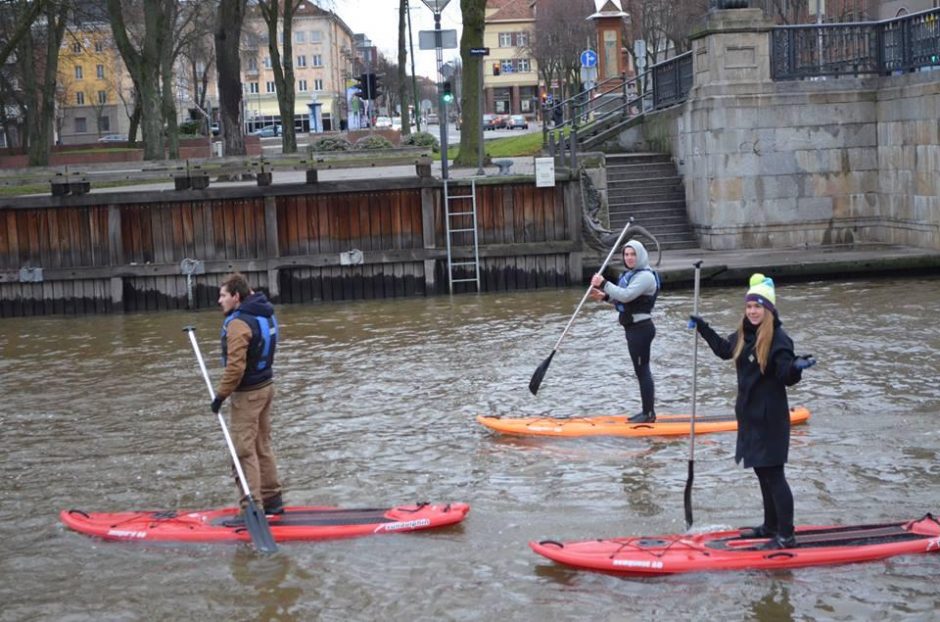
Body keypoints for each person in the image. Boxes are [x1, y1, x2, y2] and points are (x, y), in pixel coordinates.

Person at [689, 273, 816, 549]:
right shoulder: (745, 333)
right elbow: (724, 350)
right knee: (761, 472)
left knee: (774, 475)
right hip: (749, 416)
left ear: (768, 309)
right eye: (749, 306)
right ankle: (770, 526)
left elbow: (784, 374)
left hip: (770, 419)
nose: (753, 311)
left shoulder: (778, 338)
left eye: (758, 307)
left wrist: (795, 368)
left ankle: (786, 535)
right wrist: (703, 328)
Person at [213, 272, 284, 516]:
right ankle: (272, 499)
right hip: (266, 387)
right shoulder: (266, 312)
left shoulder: (238, 323)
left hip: (248, 395)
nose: (219, 301)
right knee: (262, 444)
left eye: (223, 295)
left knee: (243, 451)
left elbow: (235, 367)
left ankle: (251, 509)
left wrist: (220, 396)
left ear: (236, 296)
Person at [589, 239, 661, 423]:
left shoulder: (645, 276)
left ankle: (649, 414)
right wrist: (605, 297)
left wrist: (604, 283)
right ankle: (647, 411)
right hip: (633, 328)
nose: (629, 258)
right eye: (626, 254)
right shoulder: (632, 275)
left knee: (643, 371)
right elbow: (624, 301)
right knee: (640, 371)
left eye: (633, 254)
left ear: (640, 255)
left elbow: (626, 295)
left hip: (641, 330)